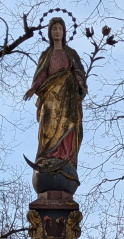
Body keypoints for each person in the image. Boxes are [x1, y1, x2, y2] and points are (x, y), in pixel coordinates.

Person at [24, 17, 87, 188]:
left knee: (68, 125)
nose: (57, 31)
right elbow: (41, 75)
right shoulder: (46, 55)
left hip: (67, 99)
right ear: (50, 32)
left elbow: (78, 72)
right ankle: (48, 156)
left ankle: (64, 156)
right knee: (48, 126)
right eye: (54, 29)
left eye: (60, 28)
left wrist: (81, 83)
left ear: (64, 31)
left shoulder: (71, 53)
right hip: (50, 97)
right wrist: (33, 88)